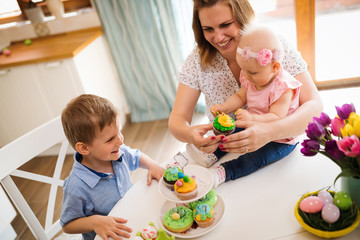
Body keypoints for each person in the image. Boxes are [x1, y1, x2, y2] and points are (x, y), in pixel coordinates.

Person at [168, 0, 323, 187]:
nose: (218, 37)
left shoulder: (272, 47)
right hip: (225, 149)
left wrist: (268, 132)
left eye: (225, 25)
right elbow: (177, 119)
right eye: (208, 29)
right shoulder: (197, 61)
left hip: (277, 158)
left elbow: (315, 108)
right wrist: (189, 133)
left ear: (243, 17)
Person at [60, 94, 164, 240]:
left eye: (119, 132)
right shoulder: (76, 186)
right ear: (84, 148)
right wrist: (94, 222)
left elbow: (135, 155)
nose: (120, 141)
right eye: (110, 139)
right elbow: (67, 225)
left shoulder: (116, 153)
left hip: (132, 219)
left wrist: (152, 165)